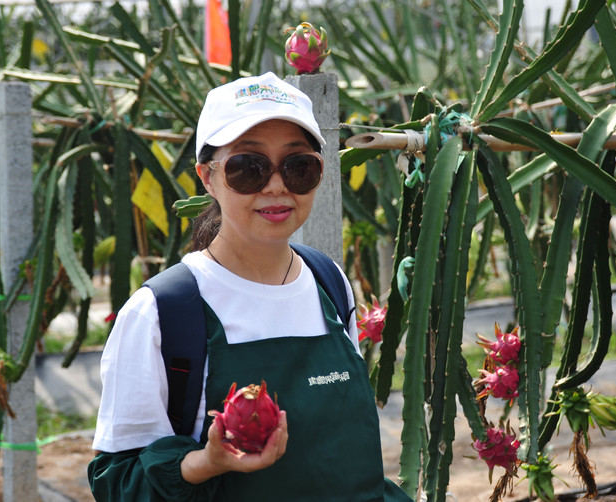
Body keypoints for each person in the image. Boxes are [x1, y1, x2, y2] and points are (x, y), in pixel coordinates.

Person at [88, 72, 412, 501]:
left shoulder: (330, 283)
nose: (276, 186)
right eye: (248, 168)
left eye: (299, 167)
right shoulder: (162, 311)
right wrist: (207, 462)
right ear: (208, 177)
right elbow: (117, 481)